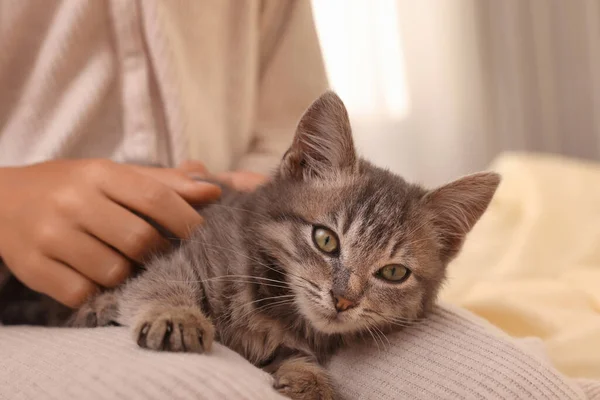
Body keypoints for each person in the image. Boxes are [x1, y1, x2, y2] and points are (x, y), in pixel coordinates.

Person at [0, 2, 597, 399]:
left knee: (516, 388)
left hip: (247, 210)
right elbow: (174, 282)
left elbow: (291, 123)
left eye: (389, 272)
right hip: (26, 279)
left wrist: (299, 365)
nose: (345, 294)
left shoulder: (323, 245)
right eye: (331, 247)